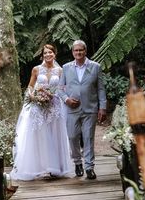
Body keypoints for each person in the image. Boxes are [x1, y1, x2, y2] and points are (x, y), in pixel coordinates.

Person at [10, 44, 73, 181]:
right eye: (45, 53)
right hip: (38, 107)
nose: (48, 55)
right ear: (42, 55)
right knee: (41, 136)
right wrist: (33, 96)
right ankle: (41, 167)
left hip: (55, 106)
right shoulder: (36, 70)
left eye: (50, 52)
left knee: (55, 134)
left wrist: (53, 96)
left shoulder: (60, 71)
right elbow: (30, 87)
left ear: (54, 54)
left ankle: (56, 168)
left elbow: (63, 88)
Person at [59, 40, 107, 180]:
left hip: (90, 108)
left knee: (88, 138)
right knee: (73, 136)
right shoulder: (66, 68)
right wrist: (67, 99)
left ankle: (89, 167)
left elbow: (100, 88)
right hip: (71, 108)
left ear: (85, 51)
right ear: (73, 52)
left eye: (81, 50)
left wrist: (102, 107)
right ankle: (77, 162)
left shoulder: (95, 67)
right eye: (76, 50)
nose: (78, 53)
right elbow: (60, 89)